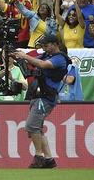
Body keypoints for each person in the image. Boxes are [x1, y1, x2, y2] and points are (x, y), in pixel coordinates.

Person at [12, 34, 71, 169]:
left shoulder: (60, 58)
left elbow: (43, 64)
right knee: (36, 128)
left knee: (31, 126)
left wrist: (25, 56)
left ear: (55, 43)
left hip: (46, 97)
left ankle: (39, 157)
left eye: (46, 45)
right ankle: (49, 160)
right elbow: (33, 62)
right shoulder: (46, 56)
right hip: (38, 95)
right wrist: (16, 55)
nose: (44, 48)